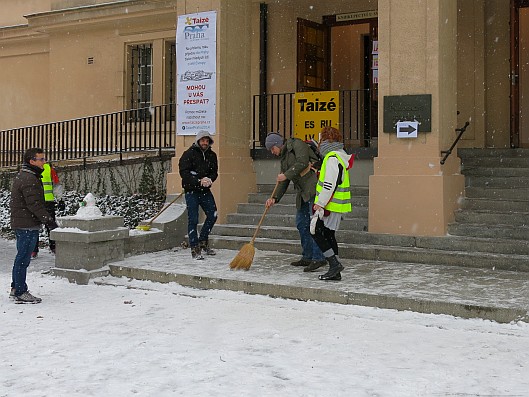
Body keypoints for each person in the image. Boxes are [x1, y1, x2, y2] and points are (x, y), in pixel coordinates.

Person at [264, 132, 326, 272]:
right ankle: (308, 256)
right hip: (302, 192)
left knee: (314, 224)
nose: (272, 153)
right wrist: (274, 198)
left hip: (313, 187)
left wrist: (285, 174)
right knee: (301, 223)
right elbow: (283, 181)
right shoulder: (284, 159)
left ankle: (319, 258)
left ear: (277, 144)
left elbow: (302, 162)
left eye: (272, 149)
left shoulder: (297, 144)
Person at [10, 148, 59, 303]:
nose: (44, 162)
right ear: (32, 161)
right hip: (26, 224)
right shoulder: (29, 179)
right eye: (41, 159)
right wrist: (49, 221)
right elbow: (34, 204)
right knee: (23, 258)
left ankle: (16, 288)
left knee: (22, 257)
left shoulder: (27, 176)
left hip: (25, 222)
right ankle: (20, 292)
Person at [310, 127, 354, 281]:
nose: (319, 143)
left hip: (329, 205)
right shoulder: (339, 156)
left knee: (315, 231)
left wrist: (320, 204)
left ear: (325, 140)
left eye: (320, 139)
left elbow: (329, 184)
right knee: (328, 235)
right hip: (335, 205)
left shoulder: (332, 158)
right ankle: (335, 269)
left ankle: (334, 265)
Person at [178, 130, 218, 260]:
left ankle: (203, 241)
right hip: (191, 191)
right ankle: (195, 248)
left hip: (205, 191)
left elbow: (214, 172)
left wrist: (210, 179)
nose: (205, 143)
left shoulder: (212, 155)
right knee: (193, 220)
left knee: (212, 215)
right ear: (198, 141)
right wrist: (198, 181)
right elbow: (184, 172)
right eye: (202, 140)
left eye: (207, 141)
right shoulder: (188, 154)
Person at [31, 161, 64, 258]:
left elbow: (56, 185)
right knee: (35, 226)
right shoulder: (30, 171)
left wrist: (60, 199)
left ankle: (53, 247)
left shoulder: (49, 170)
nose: (42, 160)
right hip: (36, 203)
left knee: (50, 225)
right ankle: (34, 249)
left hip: (46, 202)